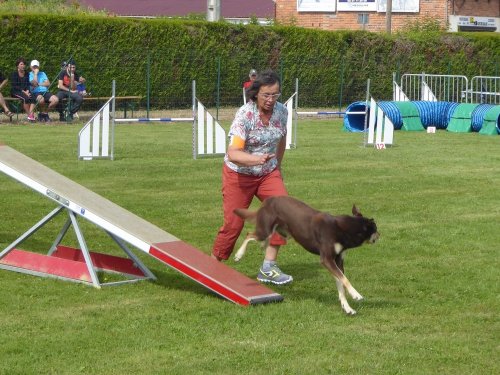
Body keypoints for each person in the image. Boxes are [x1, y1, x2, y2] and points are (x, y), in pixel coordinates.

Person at [212, 69, 293, 285]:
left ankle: (268, 267)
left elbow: (282, 138)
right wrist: (256, 159)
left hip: (268, 173)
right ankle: (211, 267)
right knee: (233, 225)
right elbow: (233, 153)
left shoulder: (282, 112)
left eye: (275, 95)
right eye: (266, 95)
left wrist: (278, 165)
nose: (270, 100)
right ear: (256, 93)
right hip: (239, 174)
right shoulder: (245, 115)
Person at [10, 57, 36, 122]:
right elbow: (15, 86)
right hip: (16, 92)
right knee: (26, 98)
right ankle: (29, 116)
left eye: (24, 64)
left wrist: (27, 90)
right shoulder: (14, 74)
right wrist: (24, 92)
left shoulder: (27, 74)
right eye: (21, 64)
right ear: (17, 65)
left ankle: (31, 115)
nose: (23, 66)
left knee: (33, 97)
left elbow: (28, 84)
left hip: (25, 92)